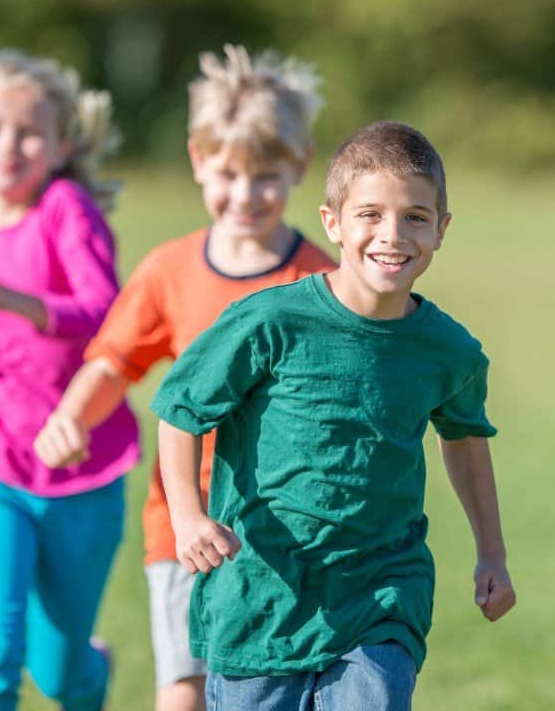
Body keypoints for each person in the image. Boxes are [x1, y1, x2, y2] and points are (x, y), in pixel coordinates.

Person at [157, 121, 515, 710]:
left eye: (415, 218)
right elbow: (180, 409)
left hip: (382, 595)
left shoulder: (449, 352)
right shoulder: (270, 322)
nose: (392, 235)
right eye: (369, 214)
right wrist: (188, 516)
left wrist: (492, 553)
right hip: (262, 598)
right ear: (332, 223)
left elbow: (466, 441)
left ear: (441, 229)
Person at [34, 44, 334, 711]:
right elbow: (115, 360)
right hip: (183, 520)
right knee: (182, 689)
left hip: (287, 530)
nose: (246, 194)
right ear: (199, 160)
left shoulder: (320, 281)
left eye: (266, 176)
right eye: (228, 173)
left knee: (275, 688)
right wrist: (69, 418)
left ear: (300, 167)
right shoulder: (168, 270)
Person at [0, 49, 136, 711]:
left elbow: (109, 314)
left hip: (83, 469)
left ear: (61, 144)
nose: (6, 145)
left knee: (62, 674)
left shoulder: (65, 209)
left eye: (28, 132)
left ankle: (90, 673)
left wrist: (13, 298)